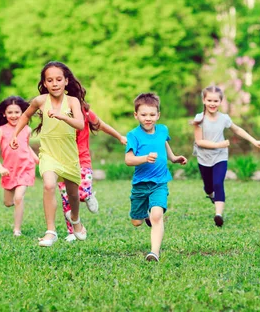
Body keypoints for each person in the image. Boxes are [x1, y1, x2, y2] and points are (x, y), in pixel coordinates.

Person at [10, 61, 86, 247]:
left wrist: (62, 116)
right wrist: (15, 134)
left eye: (59, 79)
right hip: (48, 154)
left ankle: (75, 220)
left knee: (73, 195)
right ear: (44, 83)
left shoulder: (73, 101)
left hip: (68, 156)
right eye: (50, 80)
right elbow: (26, 115)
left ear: (66, 81)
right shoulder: (40, 101)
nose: (55, 83)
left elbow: (81, 124)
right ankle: (50, 231)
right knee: (49, 185)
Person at [125, 92, 187, 262]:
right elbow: (128, 159)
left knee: (157, 215)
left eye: (152, 114)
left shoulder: (162, 130)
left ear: (158, 115)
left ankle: (154, 252)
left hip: (159, 182)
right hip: (140, 184)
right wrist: (144, 158)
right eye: (143, 114)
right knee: (136, 222)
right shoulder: (133, 135)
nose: (148, 118)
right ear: (136, 115)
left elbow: (164, 142)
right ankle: (145, 214)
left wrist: (173, 158)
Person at [192, 86, 260, 227]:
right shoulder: (199, 119)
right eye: (209, 100)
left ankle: (218, 215)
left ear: (220, 101)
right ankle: (210, 194)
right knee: (209, 187)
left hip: (220, 157)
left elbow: (237, 129)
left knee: (218, 183)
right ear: (204, 101)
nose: (212, 103)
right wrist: (219, 144)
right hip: (204, 158)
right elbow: (199, 141)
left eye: (216, 100)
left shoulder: (224, 118)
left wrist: (254, 141)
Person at [59, 106, 127, 242]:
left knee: (81, 194)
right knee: (67, 199)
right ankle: (72, 231)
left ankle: (88, 195)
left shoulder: (86, 113)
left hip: (82, 160)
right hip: (63, 161)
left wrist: (119, 137)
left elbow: (102, 125)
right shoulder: (57, 112)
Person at [0, 96, 39, 237]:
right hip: (9, 170)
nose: (13, 115)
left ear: (22, 113)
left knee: (18, 198)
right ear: (4, 114)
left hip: (26, 167)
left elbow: (26, 146)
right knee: (8, 202)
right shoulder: (1, 130)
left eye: (17, 112)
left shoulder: (27, 129)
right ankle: (17, 206)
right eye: (10, 112)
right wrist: (0, 168)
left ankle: (17, 230)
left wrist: (36, 158)